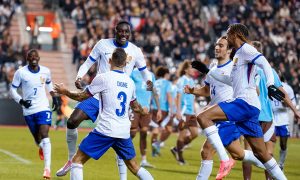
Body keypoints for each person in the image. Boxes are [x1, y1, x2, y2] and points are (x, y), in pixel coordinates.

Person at [56, 20, 153, 179]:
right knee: (72, 121)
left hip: (116, 94)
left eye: (126, 32)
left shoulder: (135, 51)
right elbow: (88, 63)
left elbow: (144, 71)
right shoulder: (102, 44)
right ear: (115, 31)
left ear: (130, 33)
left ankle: (120, 177)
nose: (123, 34)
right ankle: (71, 159)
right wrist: (79, 76)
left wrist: (148, 81)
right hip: (97, 93)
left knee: (118, 140)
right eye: (120, 31)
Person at [195, 23, 287, 180]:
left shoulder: (246, 49)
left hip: (244, 103)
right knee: (261, 153)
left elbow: (264, 63)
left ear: (235, 34)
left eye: (228, 33)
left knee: (203, 117)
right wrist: (208, 71)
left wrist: (270, 84)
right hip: (251, 108)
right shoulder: (238, 56)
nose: (227, 36)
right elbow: (228, 80)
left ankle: (224, 160)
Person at [189, 36, 265, 180]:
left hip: (226, 116)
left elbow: (255, 90)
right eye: (216, 44)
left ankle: (226, 163)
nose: (217, 47)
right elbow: (206, 90)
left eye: (221, 45)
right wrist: (193, 90)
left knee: (206, 151)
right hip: (214, 116)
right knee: (239, 154)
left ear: (230, 50)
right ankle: (268, 164)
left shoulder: (234, 67)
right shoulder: (213, 66)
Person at [243, 41, 300, 180]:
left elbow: (283, 94)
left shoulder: (245, 70)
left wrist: (295, 111)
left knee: (250, 153)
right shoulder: (270, 71)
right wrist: (295, 111)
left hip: (256, 117)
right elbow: (283, 94)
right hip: (263, 118)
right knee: (266, 154)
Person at [10, 49, 59, 179]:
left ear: (39, 57)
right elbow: (12, 89)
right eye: (31, 56)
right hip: (29, 111)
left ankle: (47, 169)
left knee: (44, 134)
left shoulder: (46, 71)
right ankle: (41, 146)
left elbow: (49, 84)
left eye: (35, 56)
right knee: (38, 141)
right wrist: (21, 101)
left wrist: (54, 97)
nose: (33, 58)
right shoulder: (20, 73)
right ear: (27, 58)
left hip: (43, 107)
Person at [130, 63, 161, 168]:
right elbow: (129, 88)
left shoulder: (150, 75)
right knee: (132, 132)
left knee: (144, 132)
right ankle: (121, 154)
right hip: (134, 108)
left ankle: (144, 160)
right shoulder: (132, 73)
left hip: (146, 109)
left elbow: (152, 92)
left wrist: (159, 109)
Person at [170, 60, 198, 165]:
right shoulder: (182, 80)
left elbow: (193, 96)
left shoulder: (192, 81)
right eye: (191, 68)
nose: (193, 70)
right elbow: (178, 96)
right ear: (186, 70)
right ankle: (180, 158)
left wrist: (195, 111)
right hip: (183, 111)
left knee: (195, 133)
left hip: (191, 112)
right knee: (182, 135)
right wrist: (178, 111)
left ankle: (176, 149)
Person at [272, 74, 296, 170]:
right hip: (271, 119)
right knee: (269, 143)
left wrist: (285, 103)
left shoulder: (288, 88)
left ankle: (281, 164)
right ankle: (271, 165)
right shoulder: (269, 85)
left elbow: (293, 104)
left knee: (283, 144)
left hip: (283, 119)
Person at [150, 66, 173, 157]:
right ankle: (157, 144)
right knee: (169, 130)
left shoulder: (154, 82)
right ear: (166, 74)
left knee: (156, 130)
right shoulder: (168, 83)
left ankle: (154, 148)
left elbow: (152, 95)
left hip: (155, 108)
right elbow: (168, 95)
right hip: (164, 109)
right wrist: (171, 108)